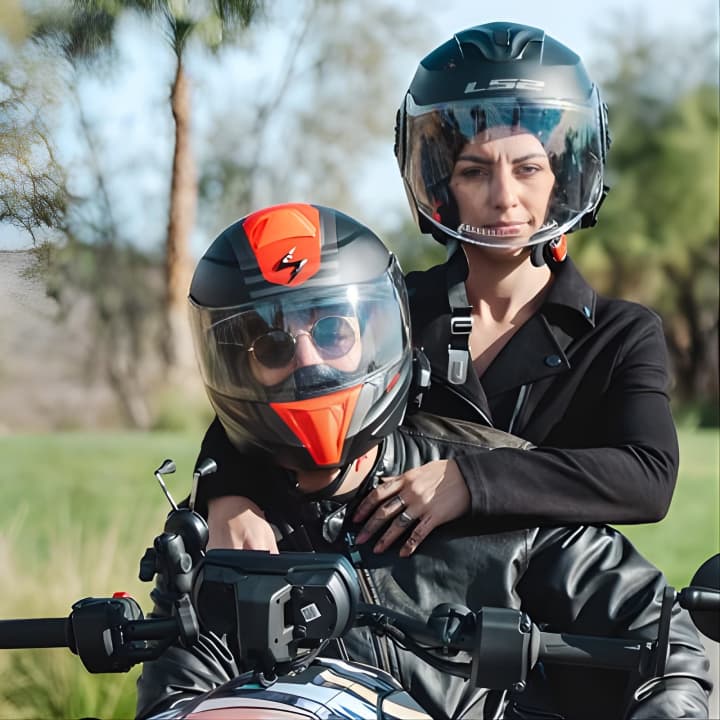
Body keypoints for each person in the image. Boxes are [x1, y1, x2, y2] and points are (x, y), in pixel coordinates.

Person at [136, 203, 711, 720]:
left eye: (333, 332)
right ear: (240, 370)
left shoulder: (497, 484)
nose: (309, 361)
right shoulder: (220, 540)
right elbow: (177, 695)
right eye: (274, 347)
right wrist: (223, 496)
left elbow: (661, 637)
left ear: (378, 337)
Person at [196, 22, 680, 558]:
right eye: (475, 171)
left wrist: (470, 480)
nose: (504, 197)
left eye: (528, 168)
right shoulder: (392, 309)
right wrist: (227, 495)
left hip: (554, 602)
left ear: (561, 178)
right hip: (382, 595)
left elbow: (648, 477)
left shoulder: (620, 333)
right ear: (440, 184)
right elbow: (264, 406)